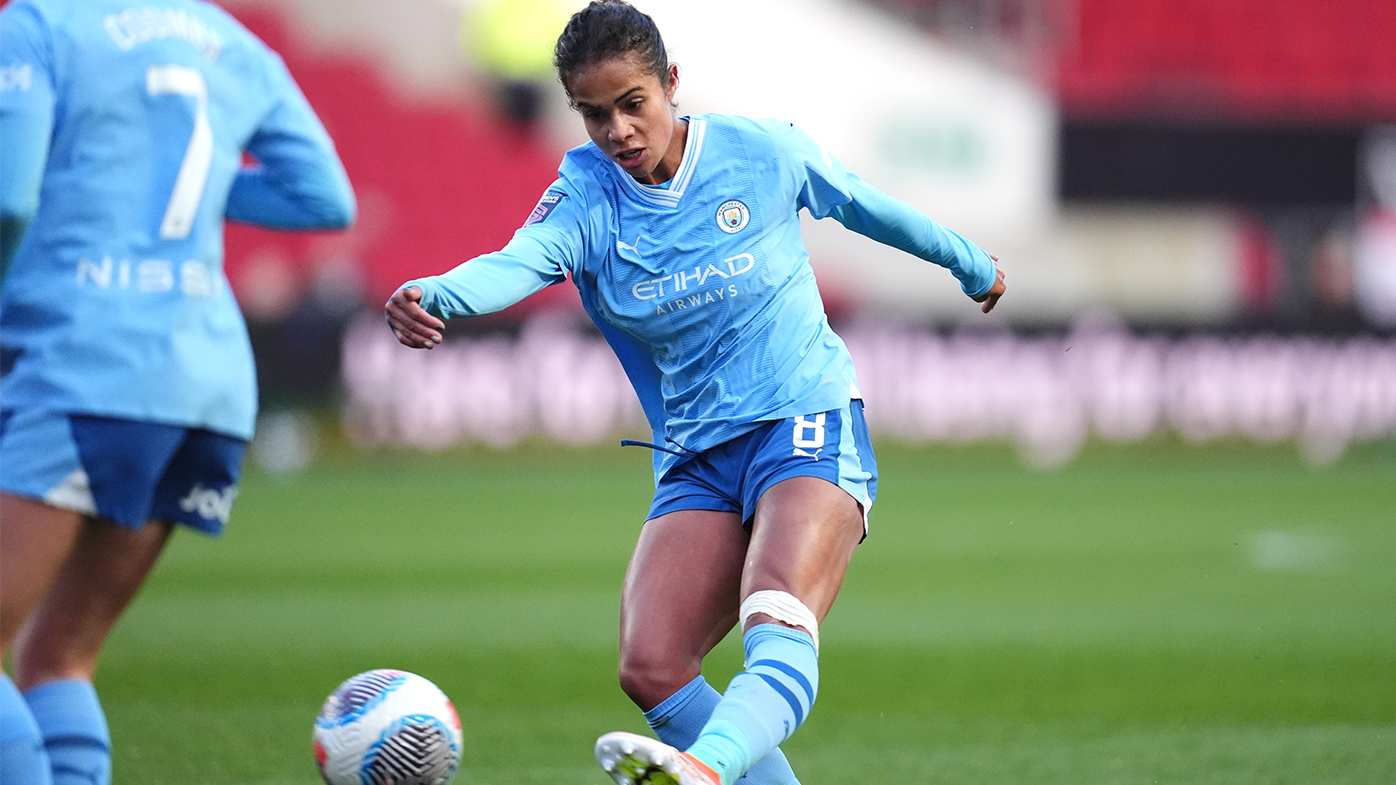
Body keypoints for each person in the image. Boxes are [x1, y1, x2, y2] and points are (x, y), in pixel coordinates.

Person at [384, 2, 1005, 784]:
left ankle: (703, 771)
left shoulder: (759, 152)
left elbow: (859, 202)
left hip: (801, 416)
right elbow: (522, 258)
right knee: (651, 664)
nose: (617, 131)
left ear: (671, 82)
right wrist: (438, 292)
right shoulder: (585, 197)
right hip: (697, 453)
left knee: (776, 609)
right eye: (594, 114)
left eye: (632, 103)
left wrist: (967, 261)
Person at [0, 1, 355, 783]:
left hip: (89, 361)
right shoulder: (235, 42)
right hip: (208, 385)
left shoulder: (39, 26)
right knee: (58, 655)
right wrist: (191, 188)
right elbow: (327, 199)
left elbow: (8, 200)